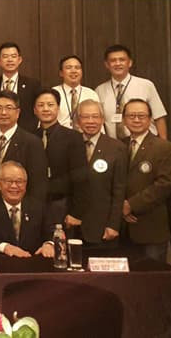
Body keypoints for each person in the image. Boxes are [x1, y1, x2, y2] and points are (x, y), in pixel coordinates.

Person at [120, 99, 171, 262]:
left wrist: (130, 205)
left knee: (153, 274)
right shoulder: (119, 145)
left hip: (151, 227)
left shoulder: (164, 147)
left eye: (141, 116)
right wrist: (120, 208)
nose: (136, 120)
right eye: (131, 116)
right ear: (124, 120)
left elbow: (163, 185)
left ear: (150, 119)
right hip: (122, 228)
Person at [69, 100, 126, 247]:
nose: (91, 121)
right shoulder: (70, 145)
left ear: (102, 119)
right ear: (78, 121)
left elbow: (119, 190)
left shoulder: (116, 148)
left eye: (95, 116)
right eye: (85, 117)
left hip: (102, 227)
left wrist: (113, 224)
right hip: (72, 225)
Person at [0, 161, 56, 258]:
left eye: (19, 181)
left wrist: (49, 244)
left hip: (32, 262)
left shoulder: (39, 207)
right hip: (1, 263)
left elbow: (53, 232)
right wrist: (4, 247)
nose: (14, 186)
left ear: (25, 185)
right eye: (8, 181)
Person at [33, 90, 87, 226]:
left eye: (50, 105)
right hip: (33, 205)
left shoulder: (73, 137)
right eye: (41, 105)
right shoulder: (29, 137)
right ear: (34, 110)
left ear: (58, 108)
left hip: (62, 204)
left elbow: (80, 178)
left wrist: (76, 213)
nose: (46, 109)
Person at [95, 44, 168, 140]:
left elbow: (159, 117)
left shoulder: (146, 85)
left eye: (122, 60)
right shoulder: (100, 90)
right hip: (114, 144)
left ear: (130, 63)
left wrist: (163, 143)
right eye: (113, 60)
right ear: (107, 65)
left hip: (145, 142)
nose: (118, 63)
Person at [0, 90, 48, 204]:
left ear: (17, 113)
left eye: (9, 108)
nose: (3, 112)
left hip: (21, 206)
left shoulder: (32, 142)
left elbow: (38, 184)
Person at [0, 43, 43, 131]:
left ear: (19, 60)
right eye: (5, 56)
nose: (10, 60)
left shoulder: (33, 85)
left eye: (13, 56)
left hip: (26, 133)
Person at [52, 55, 99, 129]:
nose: (73, 71)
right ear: (61, 73)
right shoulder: (53, 93)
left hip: (86, 134)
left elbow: (98, 120)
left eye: (77, 67)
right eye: (68, 67)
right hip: (59, 135)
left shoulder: (91, 94)